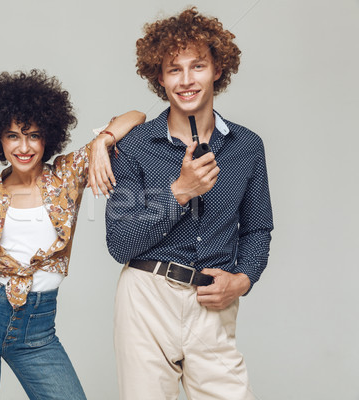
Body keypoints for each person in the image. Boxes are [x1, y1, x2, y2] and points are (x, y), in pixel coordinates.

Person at [0, 69, 145, 400]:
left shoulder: (66, 176)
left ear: (47, 137)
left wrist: (102, 141)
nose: (24, 146)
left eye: (33, 135)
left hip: (37, 331)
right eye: (13, 136)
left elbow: (136, 116)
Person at [105, 7, 274, 400]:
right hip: (146, 298)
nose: (186, 81)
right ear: (159, 78)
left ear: (217, 69)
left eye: (197, 66)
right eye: (173, 69)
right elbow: (119, 244)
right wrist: (180, 191)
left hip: (213, 301)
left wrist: (243, 279)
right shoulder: (133, 146)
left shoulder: (247, 147)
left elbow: (258, 228)